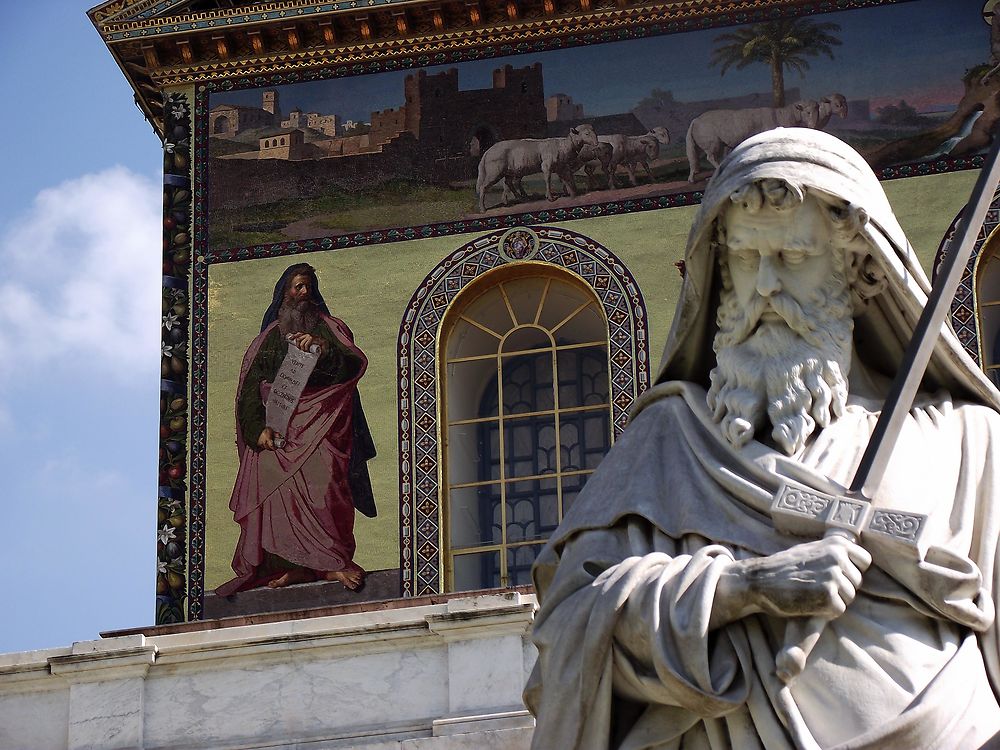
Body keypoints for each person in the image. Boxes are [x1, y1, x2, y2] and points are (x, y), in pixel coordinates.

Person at [525, 129, 1000, 749]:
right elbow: (571, 627)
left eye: (794, 258)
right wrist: (744, 589)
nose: (766, 287)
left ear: (860, 270)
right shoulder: (667, 441)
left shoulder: (969, 441)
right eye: (746, 260)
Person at [216, 263, 376, 596]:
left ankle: (332, 563)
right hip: (278, 431)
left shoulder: (330, 329)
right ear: (283, 294)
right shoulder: (269, 340)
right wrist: (256, 429)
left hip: (324, 425)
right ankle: (293, 567)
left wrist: (322, 347)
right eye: (296, 287)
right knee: (273, 489)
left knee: (326, 487)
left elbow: (350, 366)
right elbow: (248, 390)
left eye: (307, 287)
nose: (302, 294)